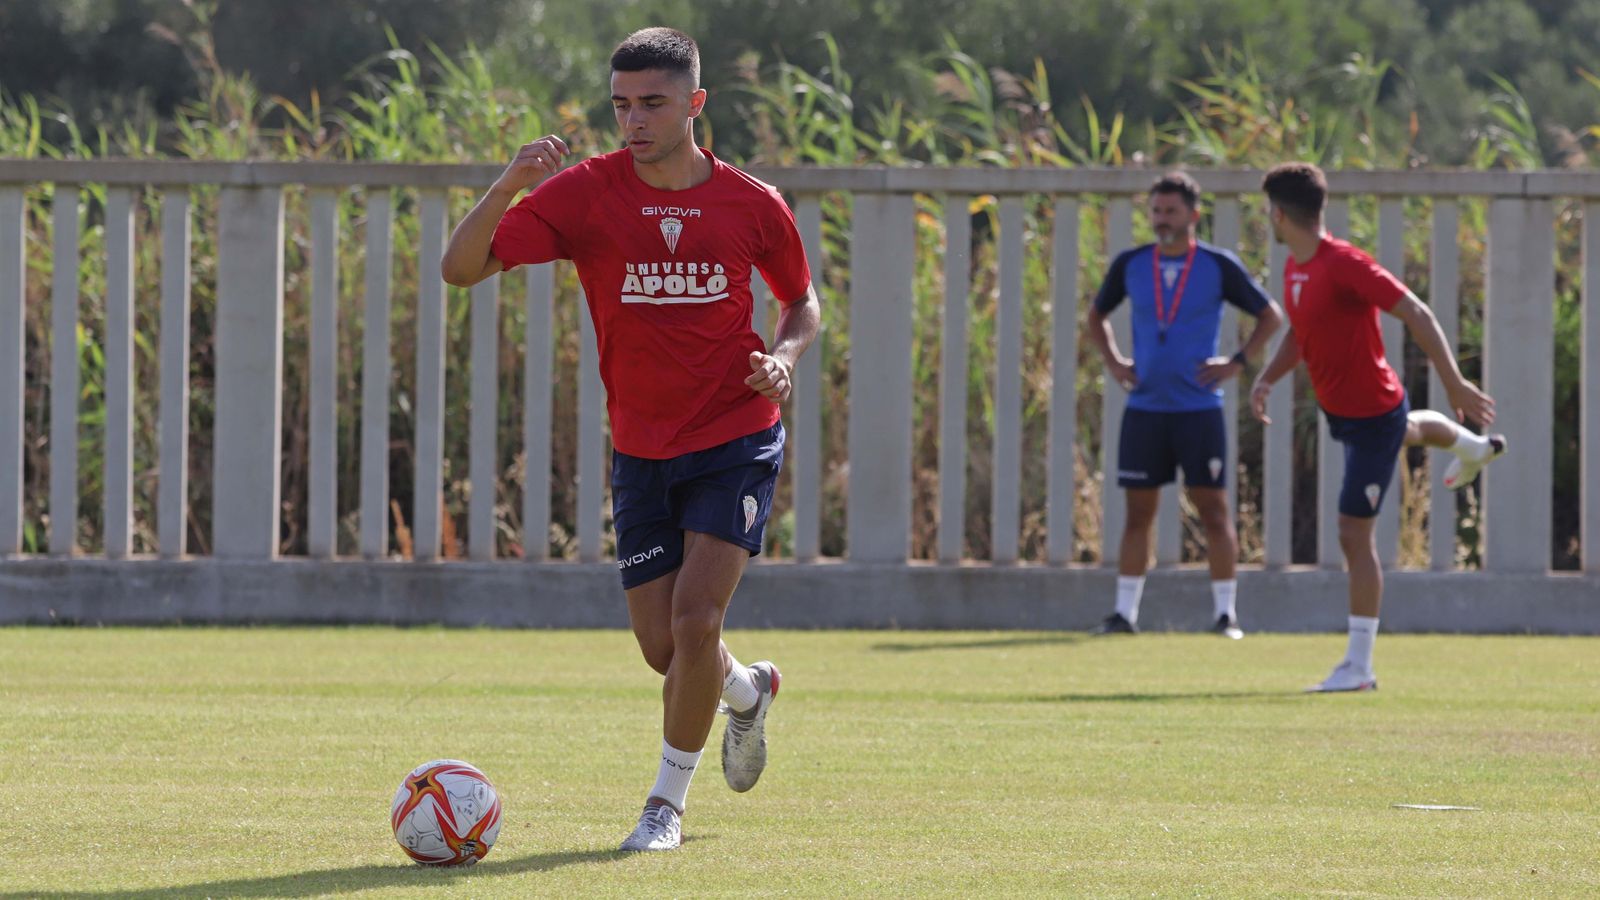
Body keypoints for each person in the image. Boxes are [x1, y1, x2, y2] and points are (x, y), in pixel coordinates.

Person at [441, 26, 821, 851]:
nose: (634, 121)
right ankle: (748, 693)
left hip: (736, 434)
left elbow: (802, 302)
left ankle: (664, 808)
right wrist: (509, 182)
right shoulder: (583, 194)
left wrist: (784, 359)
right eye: (621, 105)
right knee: (665, 650)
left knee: (694, 621)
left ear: (695, 103)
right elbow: (460, 268)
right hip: (642, 449)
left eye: (652, 103)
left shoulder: (754, 203)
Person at [1250, 162, 1505, 692]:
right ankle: (1475, 448)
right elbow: (1300, 332)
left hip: (1371, 416)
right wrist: (1268, 379)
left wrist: (1455, 384)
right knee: (1411, 429)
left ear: (1277, 213)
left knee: (1351, 532)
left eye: (1266, 213)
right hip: (1352, 413)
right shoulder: (1296, 268)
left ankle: (1359, 666)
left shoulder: (1342, 262)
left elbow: (1415, 311)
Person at [1086, 172, 1284, 639]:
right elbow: (1097, 314)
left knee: (1214, 510)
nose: (1161, 220)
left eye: (1171, 211)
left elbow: (1270, 314)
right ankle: (1124, 614)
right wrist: (1115, 362)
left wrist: (1237, 362)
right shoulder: (1132, 263)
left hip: (1199, 410)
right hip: (1146, 410)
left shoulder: (1218, 265)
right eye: (1155, 211)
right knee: (1138, 513)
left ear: (1194, 215)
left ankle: (1225, 615)